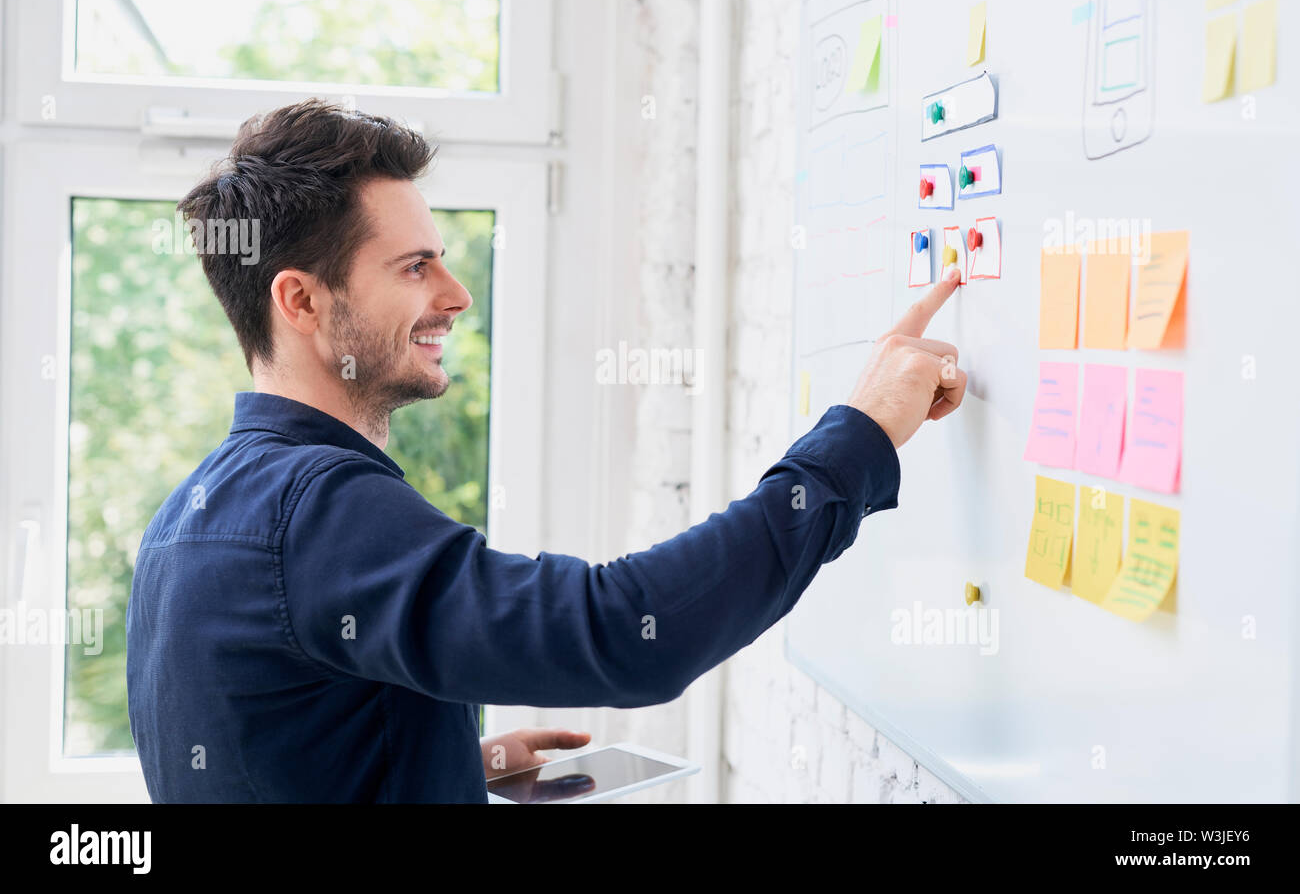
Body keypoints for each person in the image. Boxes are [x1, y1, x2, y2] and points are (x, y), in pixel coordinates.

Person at [126, 99, 966, 802]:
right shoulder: (318, 513)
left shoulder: (189, 517)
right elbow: (628, 633)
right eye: (415, 267)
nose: (455, 296)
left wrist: (459, 762)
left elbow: (267, 751)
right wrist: (858, 436)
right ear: (301, 300)